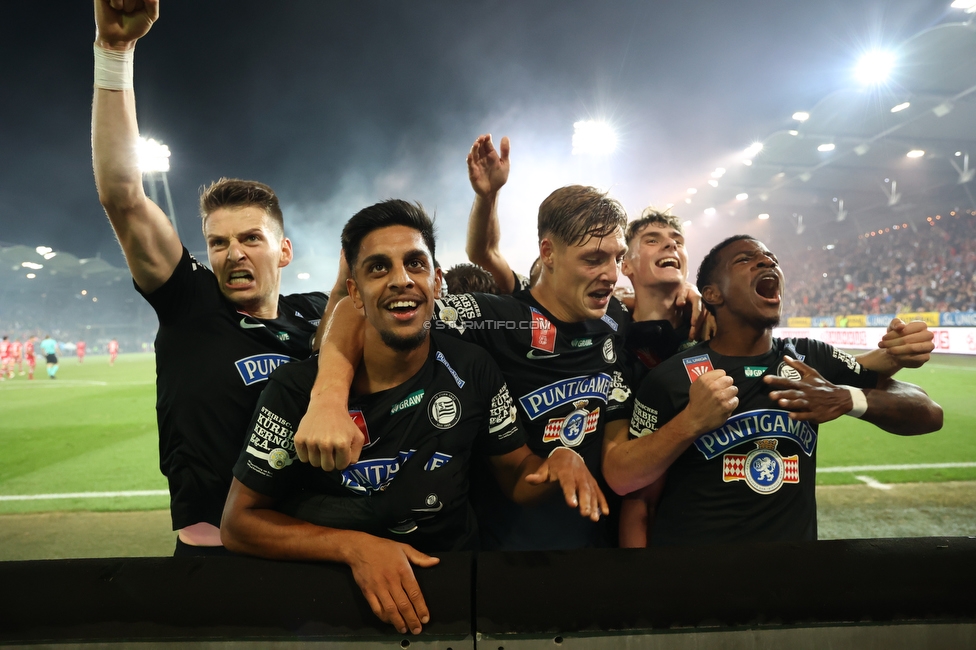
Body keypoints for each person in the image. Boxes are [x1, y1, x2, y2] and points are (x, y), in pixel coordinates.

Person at [222, 200, 601, 635]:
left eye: (415, 264)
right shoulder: (296, 391)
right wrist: (355, 548)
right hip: (336, 607)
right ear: (355, 292)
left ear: (437, 282)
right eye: (378, 268)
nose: (401, 280)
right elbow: (239, 524)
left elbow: (516, 474)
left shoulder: (472, 367)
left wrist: (557, 464)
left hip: (454, 597)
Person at [92, 0, 328, 555]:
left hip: (311, 547)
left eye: (250, 238)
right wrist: (115, 54)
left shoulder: (318, 316)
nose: (231, 254)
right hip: (213, 556)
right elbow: (122, 197)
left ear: (284, 251)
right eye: (218, 242)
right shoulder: (192, 305)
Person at [611, 235, 942, 546]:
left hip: (793, 585)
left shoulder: (811, 359)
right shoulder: (672, 377)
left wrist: (846, 398)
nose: (766, 262)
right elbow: (639, 499)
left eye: (771, 258)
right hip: (701, 586)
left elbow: (929, 413)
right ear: (712, 294)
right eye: (746, 259)